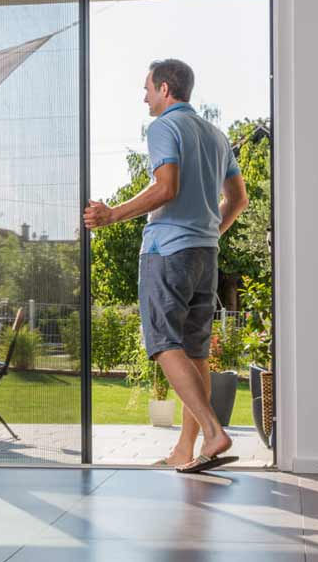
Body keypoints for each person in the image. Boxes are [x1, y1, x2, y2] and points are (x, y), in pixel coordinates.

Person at [83, 59, 249, 473]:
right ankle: (187, 449)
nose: (145, 97)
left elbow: (166, 187)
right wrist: (210, 232)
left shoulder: (163, 128)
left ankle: (213, 432)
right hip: (204, 254)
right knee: (195, 353)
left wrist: (112, 215)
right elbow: (238, 199)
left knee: (161, 343)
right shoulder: (216, 134)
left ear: (164, 89)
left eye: (148, 89)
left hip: (168, 251)